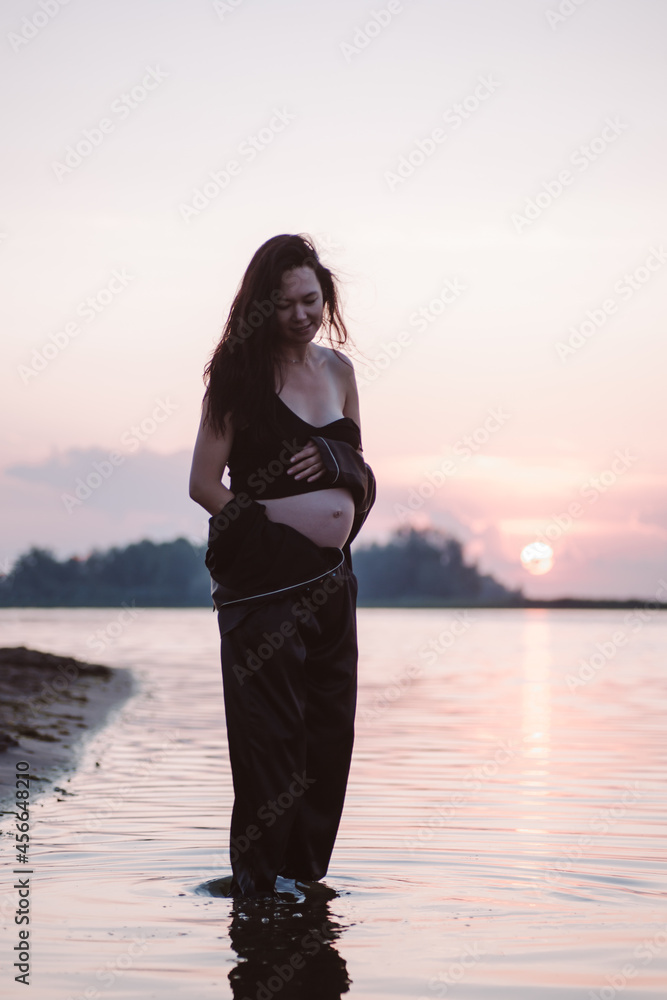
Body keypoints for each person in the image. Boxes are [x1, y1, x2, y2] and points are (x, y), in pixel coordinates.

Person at [189, 234, 376, 898]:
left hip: (332, 586)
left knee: (328, 737)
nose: (300, 314)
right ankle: (254, 893)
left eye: (310, 300)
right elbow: (204, 484)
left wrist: (340, 465)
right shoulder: (240, 376)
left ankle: (302, 885)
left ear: (325, 296)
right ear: (261, 307)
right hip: (263, 589)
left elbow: (362, 479)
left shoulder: (341, 373)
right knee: (270, 744)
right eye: (285, 303)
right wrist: (271, 538)